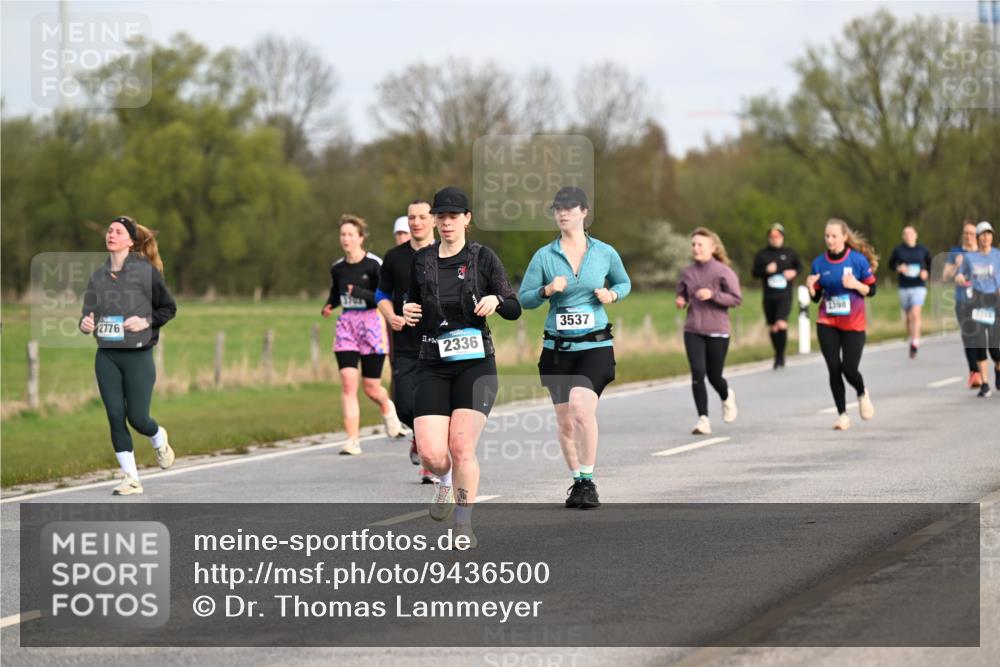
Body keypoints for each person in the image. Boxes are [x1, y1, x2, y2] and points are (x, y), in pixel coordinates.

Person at [403, 186, 521, 547]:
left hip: (475, 364)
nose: (446, 223)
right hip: (432, 362)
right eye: (441, 217)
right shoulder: (422, 260)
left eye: (454, 216)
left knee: (461, 446)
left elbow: (514, 308)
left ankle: (463, 524)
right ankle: (443, 482)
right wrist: (407, 310)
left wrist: (496, 299)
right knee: (432, 454)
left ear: (467, 219)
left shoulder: (483, 258)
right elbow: (410, 301)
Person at [518, 186, 631, 510]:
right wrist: (546, 289)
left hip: (594, 345)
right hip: (557, 349)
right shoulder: (544, 256)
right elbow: (524, 298)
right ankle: (578, 480)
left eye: (569, 208)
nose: (563, 213)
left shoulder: (604, 252)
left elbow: (624, 282)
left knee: (582, 409)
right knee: (566, 421)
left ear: (584, 212)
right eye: (558, 209)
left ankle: (589, 479)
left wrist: (612, 295)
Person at [78, 216, 177, 496]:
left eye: (118, 231)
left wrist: (145, 322)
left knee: (138, 419)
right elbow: (88, 314)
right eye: (109, 230)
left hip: (138, 355)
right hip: (107, 355)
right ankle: (131, 479)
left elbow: (169, 308)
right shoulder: (98, 276)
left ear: (130, 241)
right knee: (114, 416)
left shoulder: (145, 273)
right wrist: (85, 323)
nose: (111, 234)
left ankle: (159, 438)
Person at [321, 214, 401, 455]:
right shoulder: (337, 268)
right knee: (348, 383)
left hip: (371, 324)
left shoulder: (374, 264)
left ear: (361, 238)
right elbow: (336, 293)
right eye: (342, 235)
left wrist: (358, 291)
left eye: (350, 235)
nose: (346, 239)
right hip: (347, 324)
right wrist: (329, 305)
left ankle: (387, 407)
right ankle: (352, 440)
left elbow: (384, 296)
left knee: (371, 387)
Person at [376, 201, 437, 483]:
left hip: (441, 343)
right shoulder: (394, 257)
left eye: (422, 217)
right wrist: (391, 316)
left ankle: (429, 460)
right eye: (412, 217)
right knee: (404, 406)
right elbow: (381, 294)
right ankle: (418, 434)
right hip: (406, 344)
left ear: (433, 220)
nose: (416, 222)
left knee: (433, 405)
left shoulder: (446, 254)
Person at [805, 219, 878, 430]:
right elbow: (816, 297)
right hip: (827, 321)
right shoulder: (819, 263)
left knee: (849, 369)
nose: (830, 240)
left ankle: (862, 392)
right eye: (827, 236)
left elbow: (872, 290)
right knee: (834, 368)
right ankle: (842, 414)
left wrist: (856, 284)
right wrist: (811, 288)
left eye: (834, 236)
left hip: (853, 324)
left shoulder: (857, 261)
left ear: (844, 237)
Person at [675, 227, 742, 435]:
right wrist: (681, 300)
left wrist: (712, 294)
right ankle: (703, 419)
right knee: (697, 373)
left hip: (717, 330)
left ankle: (726, 396)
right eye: (693, 244)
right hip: (693, 329)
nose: (696, 248)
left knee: (715, 376)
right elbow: (682, 294)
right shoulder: (687, 272)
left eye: (700, 244)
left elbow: (736, 299)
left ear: (712, 248)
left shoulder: (723, 271)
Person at [954, 221, 1000, 398]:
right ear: (978, 237)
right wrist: (959, 277)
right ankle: (985, 384)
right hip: (977, 302)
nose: (986, 238)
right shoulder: (970, 258)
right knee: (980, 343)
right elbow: (961, 273)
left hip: (995, 301)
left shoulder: (997, 256)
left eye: (989, 234)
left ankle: (997, 367)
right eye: (982, 234)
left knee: (994, 349)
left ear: (991, 237)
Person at [751, 223, 802, 369]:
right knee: (774, 327)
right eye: (772, 237)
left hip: (785, 295)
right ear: (769, 238)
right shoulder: (762, 254)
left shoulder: (790, 253)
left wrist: (794, 273)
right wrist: (766, 270)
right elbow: (754, 273)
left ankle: (781, 356)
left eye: (778, 236)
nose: (775, 239)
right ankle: (778, 354)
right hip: (769, 296)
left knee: (781, 323)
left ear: (782, 237)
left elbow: (799, 267)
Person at [943, 219, 982, 388]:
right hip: (962, 301)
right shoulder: (955, 252)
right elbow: (945, 276)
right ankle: (974, 372)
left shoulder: (983, 252)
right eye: (966, 233)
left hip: (981, 300)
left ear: (977, 236)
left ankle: (989, 367)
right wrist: (956, 266)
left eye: (972, 233)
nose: (968, 236)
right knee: (968, 336)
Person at [888, 225, 932, 359]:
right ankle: (912, 338)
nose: (908, 236)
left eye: (910, 233)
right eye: (905, 234)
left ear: (916, 235)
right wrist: (898, 268)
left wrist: (926, 272)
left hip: (919, 286)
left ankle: (915, 342)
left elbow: (931, 263)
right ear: (903, 236)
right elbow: (890, 265)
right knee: (908, 317)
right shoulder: (898, 250)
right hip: (904, 286)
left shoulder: (923, 250)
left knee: (915, 313)